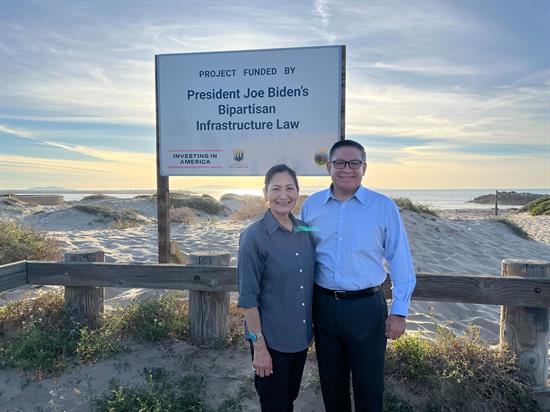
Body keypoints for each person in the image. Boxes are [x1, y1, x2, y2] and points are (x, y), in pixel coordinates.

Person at [300, 139, 416, 412]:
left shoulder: (383, 207)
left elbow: (400, 260)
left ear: (365, 167)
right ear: (329, 166)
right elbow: (302, 255)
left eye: (355, 163)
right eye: (339, 162)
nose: (347, 169)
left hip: (366, 308)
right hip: (324, 306)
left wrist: (399, 311)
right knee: (331, 384)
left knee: (370, 387)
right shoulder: (312, 206)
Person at [237, 164, 315, 412]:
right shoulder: (253, 237)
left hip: (300, 340)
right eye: (276, 189)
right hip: (270, 342)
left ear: (298, 192)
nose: (284, 195)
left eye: (290, 188)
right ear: (265, 193)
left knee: (289, 400)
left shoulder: (306, 231)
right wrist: (258, 346)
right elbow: (248, 298)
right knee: (274, 405)